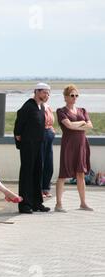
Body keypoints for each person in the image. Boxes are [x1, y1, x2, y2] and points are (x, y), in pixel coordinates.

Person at [55, 84, 94, 212]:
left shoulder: (82, 110)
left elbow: (90, 126)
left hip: (82, 144)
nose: (74, 98)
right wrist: (82, 123)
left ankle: (83, 203)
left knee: (80, 173)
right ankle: (58, 204)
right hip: (69, 145)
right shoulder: (61, 111)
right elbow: (69, 126)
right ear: (65, 97)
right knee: (63, 174)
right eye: (72, 95)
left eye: (76, 95)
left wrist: (78, 125)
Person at [14, 83, 51, 214]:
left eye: (48, 93)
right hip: (28, 145)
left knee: (37, 173)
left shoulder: (41, 107)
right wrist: (21, 141)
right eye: (45, 93)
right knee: (27, 174)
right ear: (37, 92)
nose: (47, 95)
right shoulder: (28, 106)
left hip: (38, 145)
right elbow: (18, 126)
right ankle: (25, 204)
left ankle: (36, 202)